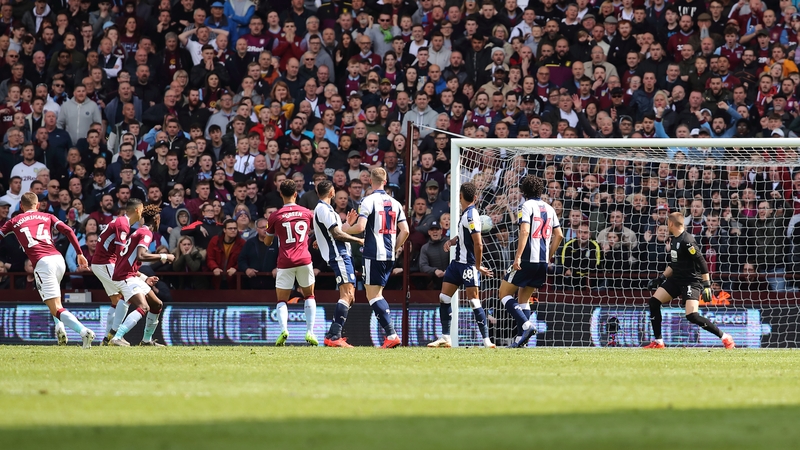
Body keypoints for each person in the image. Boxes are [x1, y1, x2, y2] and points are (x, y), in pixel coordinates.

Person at [0, 192, 94, 348]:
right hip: (58, 260)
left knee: (55, 307)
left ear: (21, 206)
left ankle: (84, 332)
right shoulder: (47, 216)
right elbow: (69, 231)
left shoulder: (14, 221)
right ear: (37, 205)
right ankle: (60, 329)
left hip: (43, 263)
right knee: (55, 301)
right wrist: (79, 253)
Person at [644, 212, 736, 349]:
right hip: (676, 279)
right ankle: (659, 342)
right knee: (654, 302)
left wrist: (706, 285)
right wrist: (661, 278)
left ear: (671, 224)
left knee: (692, 315)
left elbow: (702, 263)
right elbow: (674, 264)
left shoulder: (687, 241)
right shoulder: (674, 239)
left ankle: (725, 337)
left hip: (691, 281)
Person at [343, 168, 410, 349]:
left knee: (373, 296)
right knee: (377, 294)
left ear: (370, 182)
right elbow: (406, 231)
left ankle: (392, 334)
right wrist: (395, 249)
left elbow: (360, 227)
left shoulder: (368, 200)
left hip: (373, 254)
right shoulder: (396, 203)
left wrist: (344, 229)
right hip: (388, 255)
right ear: (386, 181)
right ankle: (391, 335)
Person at [428, 182, 494, 348]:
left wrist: (477, 266)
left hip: (468, 265)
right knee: (444, 297)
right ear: (475, 197)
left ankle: (486, 340)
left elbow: (478, 244)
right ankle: (445, 337)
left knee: (474, 301)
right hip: (456, 264)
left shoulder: (471, 216)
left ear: (460, 196)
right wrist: (452, 240)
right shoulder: (466, 214)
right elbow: (465, 236)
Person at [500, 175, 563, 348]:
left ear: (523, 191)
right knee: (523, 299)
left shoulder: (526, 206)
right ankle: (522, 340)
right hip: (542, 262)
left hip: (527, 258)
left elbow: (525, 231)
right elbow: (559, 235)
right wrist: (549, 256)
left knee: (503, 294)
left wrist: (518, 256)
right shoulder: (550, 208)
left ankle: (527, 327)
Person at [108, 204, 175, 346]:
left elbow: (131, 258)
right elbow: (141, 255)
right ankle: (117, 337)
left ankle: (146, 341)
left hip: (130, 275)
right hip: (125, 277)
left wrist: (144, 278)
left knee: (156, 304)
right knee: (143, 307)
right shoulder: (146, 233)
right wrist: (164, 256)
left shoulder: (138, 232)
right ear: (156, 220)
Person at [264, 179, 317, 346]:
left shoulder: (275, 216)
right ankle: (310, 331)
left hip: (285, 261)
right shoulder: (307, 213)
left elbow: (267, 242)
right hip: (304, 259)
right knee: (309, 295)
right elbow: (316, 229)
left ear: (281, 194)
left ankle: (283, 330)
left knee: (282, 300)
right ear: (296, 194)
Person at [312, 180, 364, 348]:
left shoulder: (324, 209)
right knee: (347, 295)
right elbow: (336, 235)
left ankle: (332, 334)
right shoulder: (323, 209)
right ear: (332, 192)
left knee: (350, 296)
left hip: (340, 254)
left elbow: (332, 232)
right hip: (339, 255)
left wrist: (347, 224)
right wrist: (359, 239)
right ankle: (334, 336)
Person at [91, 198, 143, 345]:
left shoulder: (120, 221)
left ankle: (107, 340)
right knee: (127, 296)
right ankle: (115, 337)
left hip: (103, 263)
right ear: (138, 210)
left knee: (117, 300)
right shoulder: (123, 225)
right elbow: (122, 253)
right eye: (142, 210)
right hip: (106, 263)